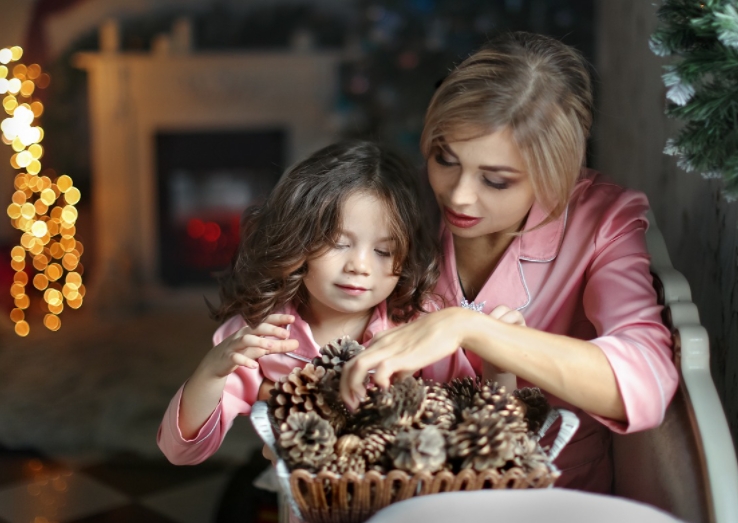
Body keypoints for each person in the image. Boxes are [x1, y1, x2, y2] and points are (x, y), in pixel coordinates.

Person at [339, 32, 680, 494]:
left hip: (552, 503)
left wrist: (472, 329)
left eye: (496, 181)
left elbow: (646, 380)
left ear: (555, 174)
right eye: (445, 159)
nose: (458, 195)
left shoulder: (602, 220)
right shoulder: (398, 204)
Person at [157, 140, 479, 465]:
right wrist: (211, 372)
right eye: (339, 243)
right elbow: (181, 451)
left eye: (383, 251)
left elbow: (476, 424)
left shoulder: (421, 324)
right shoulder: (260, 335)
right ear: (299, 239)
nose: (360, 266)